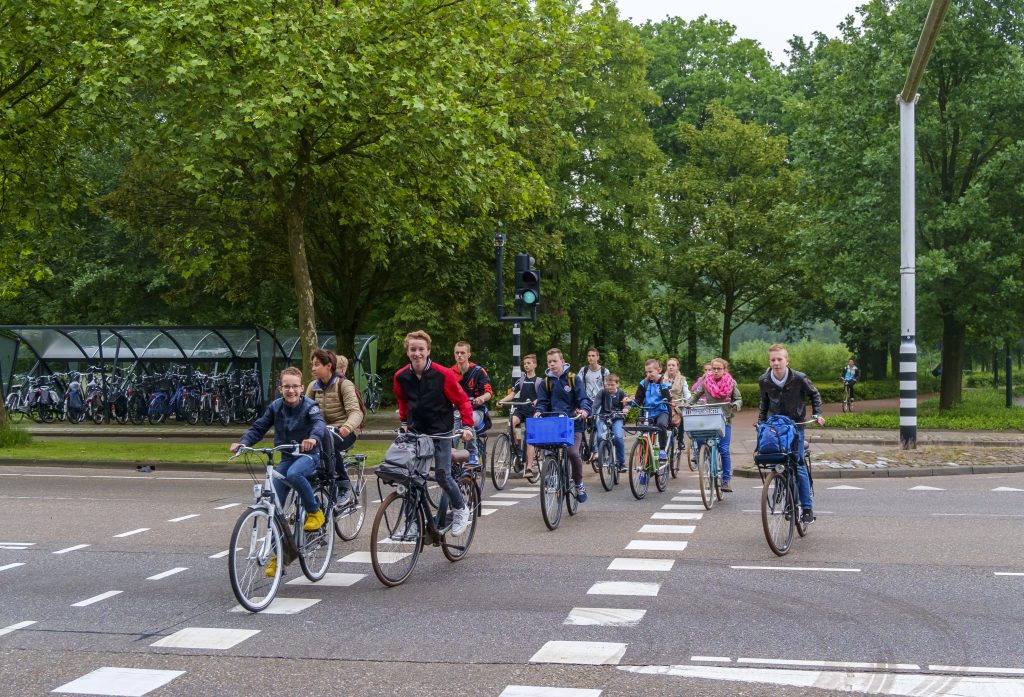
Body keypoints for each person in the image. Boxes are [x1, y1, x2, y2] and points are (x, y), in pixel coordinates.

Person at [231, 366, 326, 578]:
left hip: (308, 455)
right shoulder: (275, 407)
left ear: (302, 388)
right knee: (272, 506)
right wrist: (243, 443)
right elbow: (258, 428)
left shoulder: (310, 406)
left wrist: (313, 439)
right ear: (280, 388)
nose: (291, 390)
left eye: (294, 386)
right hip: (286, 457)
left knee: (294, 474)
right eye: (286, 387)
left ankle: (315, 512)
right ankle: (280, 556)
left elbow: (319, 425)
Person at [395, 330, 473, 536]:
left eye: (421, 349)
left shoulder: (443, 374)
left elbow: (462, 400)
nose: (417, 353)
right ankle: (411, 522)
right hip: (417, 432)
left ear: (428, 351)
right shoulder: (401, 376)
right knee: (411, 477)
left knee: (442, 475)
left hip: (441, 431)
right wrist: (404, 422)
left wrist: (467, 426)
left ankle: (460, 509)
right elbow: (403, 401)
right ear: (408, 352)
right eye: (413, 349)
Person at [758, 343, 825, 524]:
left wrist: (817, 414)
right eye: (773, 359)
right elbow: (764, 403)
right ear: (769, 361)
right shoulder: (764, 380)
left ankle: (807, 509)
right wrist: (761, 423)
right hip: (775, 426)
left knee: (798, 464)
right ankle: (779, 481)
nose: (776, 363)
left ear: (787, 360)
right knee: (773, 457)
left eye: (780, 359)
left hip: (796, 426)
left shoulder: (799, 378)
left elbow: (815, 395)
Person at [534, 348, 592, 503]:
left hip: (573, 423)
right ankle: (551, 474)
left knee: (573, 453)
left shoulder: (573, 379)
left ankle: (579, 484)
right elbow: (542, 402)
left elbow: (583, 399)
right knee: (548, 451)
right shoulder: (546, 382)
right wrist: (539, 411)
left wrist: (585, 410)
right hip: (553, 424)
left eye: (555, 361)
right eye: (549, 362)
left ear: (562, 361)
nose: (552, 364)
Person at [306, 348, 363, 506]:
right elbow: (304, 411)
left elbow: (356, 412)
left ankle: (343, 484)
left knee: (328, 440)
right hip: (321, 430)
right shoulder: (313, 386)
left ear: (328, 366)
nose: (312, 368)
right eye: (312, 364)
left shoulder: (344, 385)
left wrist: (346, 427)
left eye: (317, 364)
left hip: (344, 431)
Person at [686, 357, 742, 492]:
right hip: (710, 418)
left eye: (719, 369)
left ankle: (726, 480)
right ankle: (704, 457)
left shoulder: (731, 383)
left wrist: (735, 405)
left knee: (724, 449)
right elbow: (696, 395)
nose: (716, 371)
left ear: (724, 370)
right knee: (698, 437)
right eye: (713, 369)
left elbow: (738, 398)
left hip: (725, 420)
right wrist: (688, 404)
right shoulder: (706, 382)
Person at [495, 353, 540, 475]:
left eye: (529, 363)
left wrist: (535, 402)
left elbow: (541, 397)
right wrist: (502, 401)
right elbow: (513, 394)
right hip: (520, 409)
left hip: (532, 411)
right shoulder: (521, 380)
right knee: (511, 424)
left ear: (535, 365)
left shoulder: (539, 381)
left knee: (530, 438)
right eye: (525, 363)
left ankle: (529, 467)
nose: (526, 365)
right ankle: (516, 445)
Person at [451, 341, 493, 466]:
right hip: (456, 411)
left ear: (468, 354)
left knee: (466, 421)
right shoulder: (450, 372)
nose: (459, 355)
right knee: (446, 427)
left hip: (476, 410)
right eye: (457, 353)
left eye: (462, 353)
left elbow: (489, 392)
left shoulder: (478, 371)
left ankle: (472, 454)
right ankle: (449, 453)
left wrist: (481, 398)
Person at [630, 358, 673, 463]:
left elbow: (668, 398)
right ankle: (646, 456)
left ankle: (662, 450)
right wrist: (629, 403)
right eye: (647, 372)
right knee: (644, 430)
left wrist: (663, 385)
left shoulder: (664, 382)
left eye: (651, 371)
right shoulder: (643, 383)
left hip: (661, 411)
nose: (648, 374)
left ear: (659, 370)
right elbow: (638, 399)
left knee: (661, 425)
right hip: (648, 412)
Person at [576, 348, 609, 460]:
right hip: (586, 401)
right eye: (589, 356)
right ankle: (582, 447)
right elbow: (577, 385)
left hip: (599, 402)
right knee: (579, 422)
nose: (591, 358)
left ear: (598, 357)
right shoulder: (583, 370)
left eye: (593, 356)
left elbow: (608, 388)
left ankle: (596, 451)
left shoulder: (604, 371)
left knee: (598, 423)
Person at [592, 373, 629, 473]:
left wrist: (626, 408)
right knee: (600, 436)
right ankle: (601, 458)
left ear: (617, 384)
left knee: (618, 437)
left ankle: (621, 463)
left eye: (612, 385)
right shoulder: (602, 393)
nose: (609, 387)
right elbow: (595, 404)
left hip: (617, 418)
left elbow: (628, 403)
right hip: (604, 418)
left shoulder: (621, 393)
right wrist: (592, 414)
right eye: (608, 384)